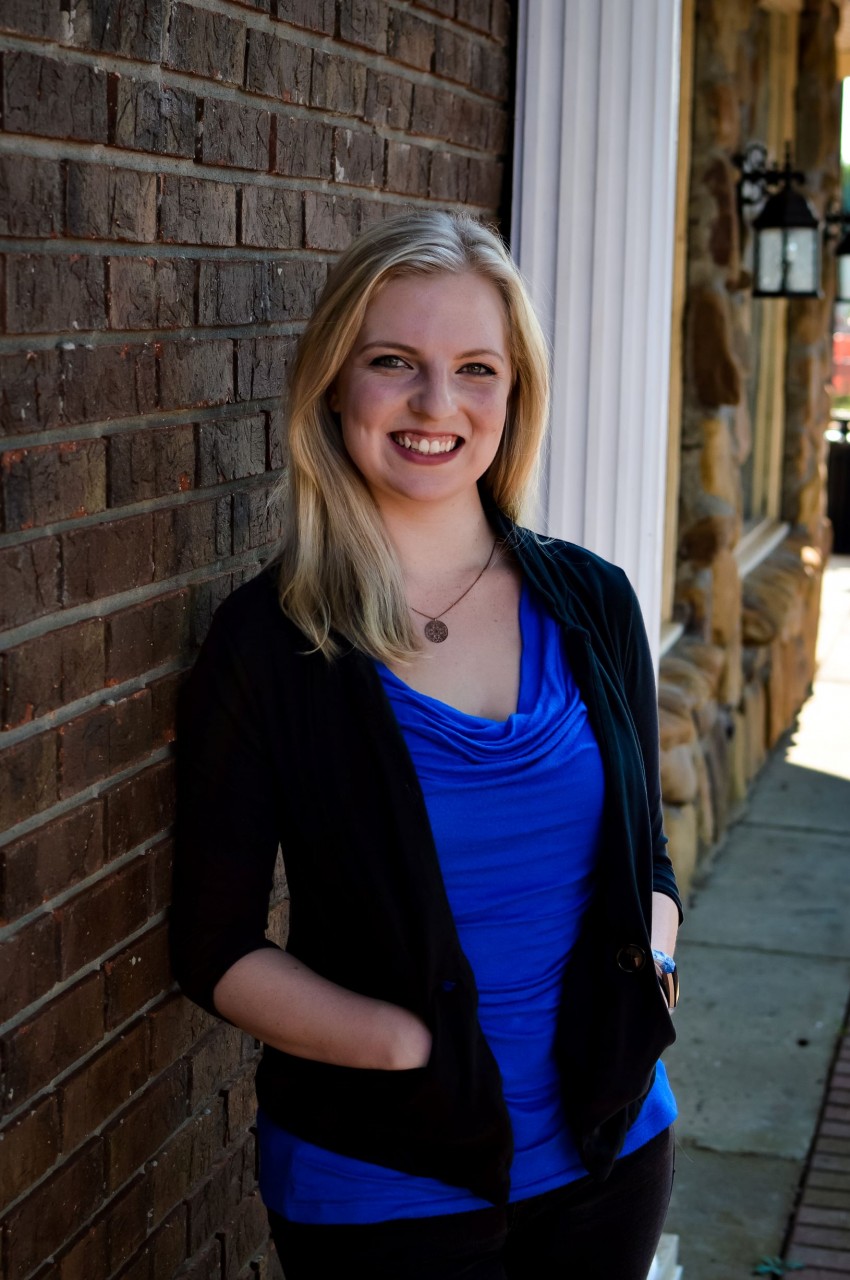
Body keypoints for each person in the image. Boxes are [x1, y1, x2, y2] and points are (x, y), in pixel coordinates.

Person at [171, 210, 682, 1280]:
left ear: (516, 392)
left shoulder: (595, 602)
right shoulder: (269, 644)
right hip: (383, 1183)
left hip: (614, 1156)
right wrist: (404, 1045)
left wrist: (657, 964)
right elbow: (214, 945)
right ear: (333, 384)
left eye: (476, 369)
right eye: (394, 361)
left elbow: (648, 858)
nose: (437, 404)